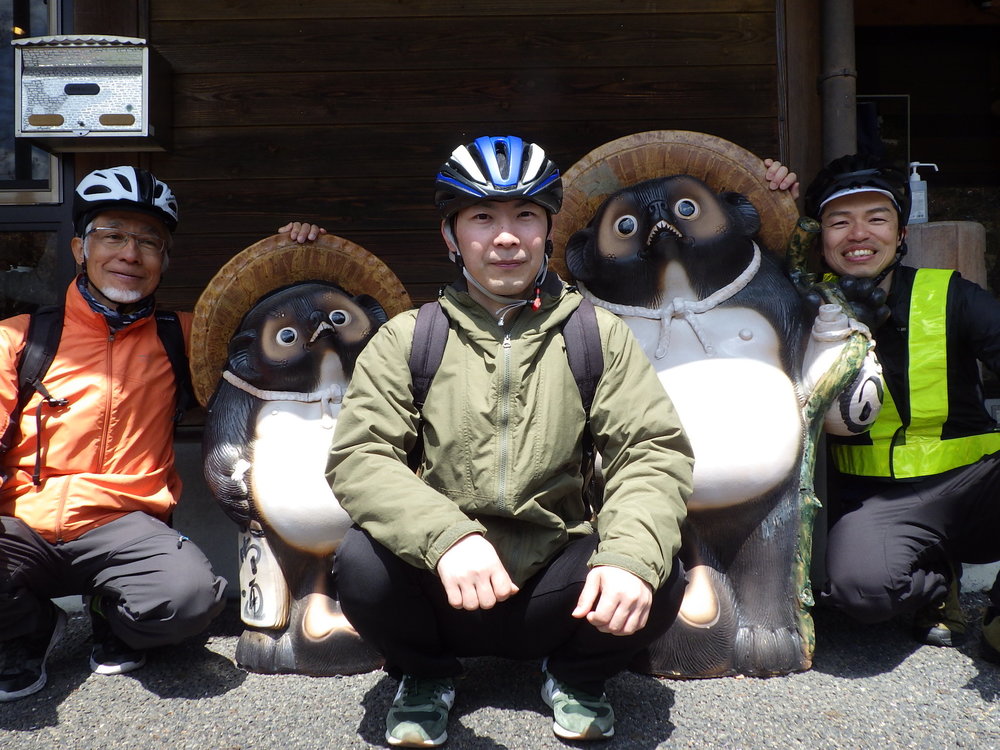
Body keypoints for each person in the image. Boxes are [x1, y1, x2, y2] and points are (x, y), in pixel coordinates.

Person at [328, 135, 694, 746]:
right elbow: (360, 458)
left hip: (555, 585)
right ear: (451, 235)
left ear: (548, 229)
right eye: (481, 217)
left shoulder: (596, 335)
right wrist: (447, 537)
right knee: (360, 563)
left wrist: (628, 557)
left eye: (525, 215)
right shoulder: (408, 339)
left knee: (658, 567)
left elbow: (650, 452)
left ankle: (577, 676)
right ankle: (425, 675)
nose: (505, 236)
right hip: (443, 582)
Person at [0, 165, 322, 702]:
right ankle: (27, 628)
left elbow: (275, 335)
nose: (131, 253)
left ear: (164, 261)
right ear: (80, 248)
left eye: (149, 241)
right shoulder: (20, 338)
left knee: (191, 601)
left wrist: (294, 257)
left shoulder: (187, 336)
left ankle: (111, 612)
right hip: (20, 525)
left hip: (127, 525)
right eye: (114, 236)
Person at [802, 153, 1000, 659]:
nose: (857, 233)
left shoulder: (949, 294)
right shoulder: (804, 308)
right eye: (839, 221)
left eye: (876, 218)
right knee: (860, 593)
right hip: (880, 503)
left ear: (900, 233)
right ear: (819, 236)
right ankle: (937, 580)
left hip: (977, 483)